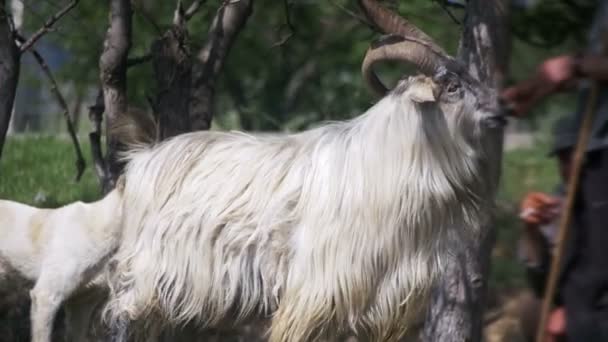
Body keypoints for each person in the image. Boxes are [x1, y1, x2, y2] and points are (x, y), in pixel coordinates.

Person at [502, 1, 608, 340]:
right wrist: (532, 231)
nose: (567, 161)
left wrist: (575, 66)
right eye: (560, 155)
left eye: (569, 153)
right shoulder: (568, 198)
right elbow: (541, 277)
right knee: (535, 309)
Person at [516, 116, 576, 342]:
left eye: (573, 157)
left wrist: (576, 312)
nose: (568, 167)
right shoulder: (559, 202)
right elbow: (540, 282)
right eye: (563, 159)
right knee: (531, 308)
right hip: (573, 303)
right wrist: (531, 231)